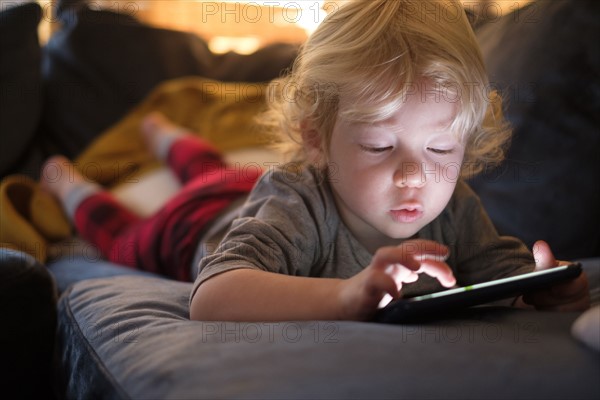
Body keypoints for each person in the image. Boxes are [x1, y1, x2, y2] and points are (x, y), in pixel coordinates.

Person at [42, 0, 589, 322]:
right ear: (315, 139)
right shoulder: (297, 202)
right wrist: (350, 293)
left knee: (212, 167)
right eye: (379, 146)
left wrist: (543, 286)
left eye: (441, 148)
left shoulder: (455, 206)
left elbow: (499, 273)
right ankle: (65, 179)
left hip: (241, 187)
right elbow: (213, 297)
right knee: (118, 229)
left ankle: (164, 134)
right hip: (193, 223)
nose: (414, 175)